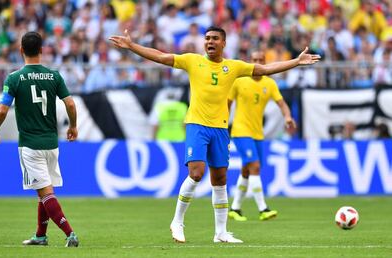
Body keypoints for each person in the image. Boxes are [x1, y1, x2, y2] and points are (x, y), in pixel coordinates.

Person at [109, 26, 320, 243]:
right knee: (197, 172)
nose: (210, 41)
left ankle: (221, 233)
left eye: (215, 38)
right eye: (207, 38)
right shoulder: (193, 61)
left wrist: (295, 61)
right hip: (197, 125)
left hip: (220, 129)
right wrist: (132, 46)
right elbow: (161, 57)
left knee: (219, 180)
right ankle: (177, 222)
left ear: (224, 43)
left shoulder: (234, 67)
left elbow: (264, 70)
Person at [0, 31, 79, 247]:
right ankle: (40, 235)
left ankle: (70, 233)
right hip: (51, 144)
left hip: (30, 144)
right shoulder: (54, 76)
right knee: (43, 191)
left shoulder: (14, 78)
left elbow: (2, 111)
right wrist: (73, 126)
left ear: (21, 51)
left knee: (45, 192)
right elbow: (71, 104)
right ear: (41, 50)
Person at [227, 51, 296, 222]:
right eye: (255, 60)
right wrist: (221, 126)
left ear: (265, 63)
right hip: (240, 131)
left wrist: (287, 116)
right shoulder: (239, 81)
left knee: (247, 170)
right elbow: (226, 104)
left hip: (257, 133)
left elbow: (282, 104)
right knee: (255, 167)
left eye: (261, 60)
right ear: (250, 62)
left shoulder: (270, 83)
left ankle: (235, 208)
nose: (257, 63)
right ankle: (263, 209)